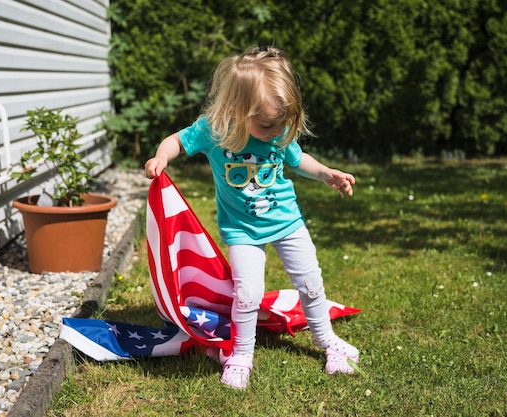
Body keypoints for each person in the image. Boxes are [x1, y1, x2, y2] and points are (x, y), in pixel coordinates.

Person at [144, 45, 359, 389]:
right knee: (247, 294)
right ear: (236, 110)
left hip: (287, 222)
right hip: (242, 230)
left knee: (310, 282)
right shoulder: (214, 130)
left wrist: (325, 173)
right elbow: (176, 141)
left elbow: (298, 159)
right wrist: (160, 158)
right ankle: (241, 354)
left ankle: (326, 340)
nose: (276, 130)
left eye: (282, 123)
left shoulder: (277, 131)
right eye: (266, 124)